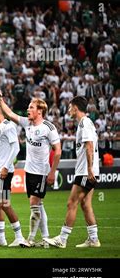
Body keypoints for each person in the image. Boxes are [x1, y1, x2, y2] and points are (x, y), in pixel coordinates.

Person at [0, 90, 62, 246]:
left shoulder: (48, 128)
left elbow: (57, 150)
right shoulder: (27, 123)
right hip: (29, 171)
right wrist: (0, 99)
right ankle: (45, 237)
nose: (28, 110)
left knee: (34, 204)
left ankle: (30, 239)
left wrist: (52, 172)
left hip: (41, 172)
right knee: (39, 205)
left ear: (40, 111)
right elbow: (10, 114)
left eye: (31, 107)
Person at [44, 96, 101, 248]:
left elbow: (89, 146)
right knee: (85, 204)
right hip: (88, 171)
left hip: (85, 172)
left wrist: (89, 169)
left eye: (70, 107)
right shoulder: (85, 123)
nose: (68, 110)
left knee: (72, 203)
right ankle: (94, 239)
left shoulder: (85, 123)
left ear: (75, 108)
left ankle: (62, 239)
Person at [0, 100, 30, 247]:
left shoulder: (8, 126)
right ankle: (0, 237)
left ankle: (19, 237)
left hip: (3, 172)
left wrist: (6, 166)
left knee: (4, 203)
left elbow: (15, 148)